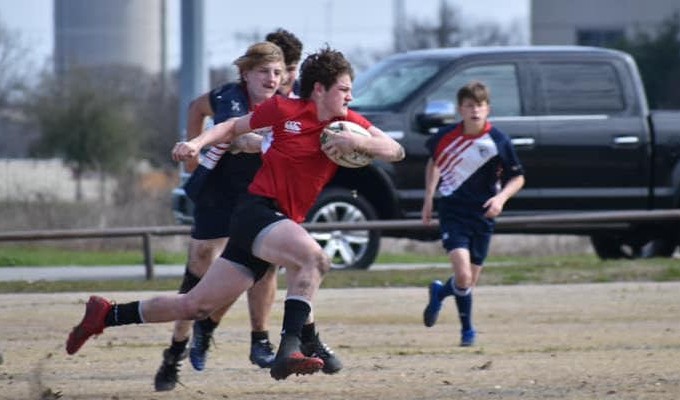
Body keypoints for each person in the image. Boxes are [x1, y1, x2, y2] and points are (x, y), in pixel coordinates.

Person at [65, 46, 405, 381]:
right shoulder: (284, 109)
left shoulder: (348, 123)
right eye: (344, 89)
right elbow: (229, 127)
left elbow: (395, 150)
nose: (350, 96)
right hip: (257, 211)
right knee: (315, 260)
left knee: (194, 306)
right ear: (319, 89)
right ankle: (291, 348)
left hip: (272, 222)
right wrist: (196, 143)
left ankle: (107, 315)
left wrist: (360, 144)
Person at [151, 40, 288, 391]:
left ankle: (259, 339)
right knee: (198, 269)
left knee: (263, 264)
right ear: (246, 74)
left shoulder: (287, 106)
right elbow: (202, 111)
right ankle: (175, 351)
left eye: (277, 72)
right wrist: (194, 146)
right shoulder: (229, 98)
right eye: (264, 72)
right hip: (218, 193)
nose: (271, 79)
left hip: (257, 194)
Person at [421, 81, 525, 347]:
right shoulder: (445, 137)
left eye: (479, 105)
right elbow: (434, 161)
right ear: (460, 110)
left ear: (488, 109)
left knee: (468, 281)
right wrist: (429, 197)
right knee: (463, 275)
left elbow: (518, 178)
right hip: (453, 211)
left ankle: (440, 292)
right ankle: (467, 331)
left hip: (483, 215)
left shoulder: (499, 141)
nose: (475, 110)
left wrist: (500, 199)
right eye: (469, 105)